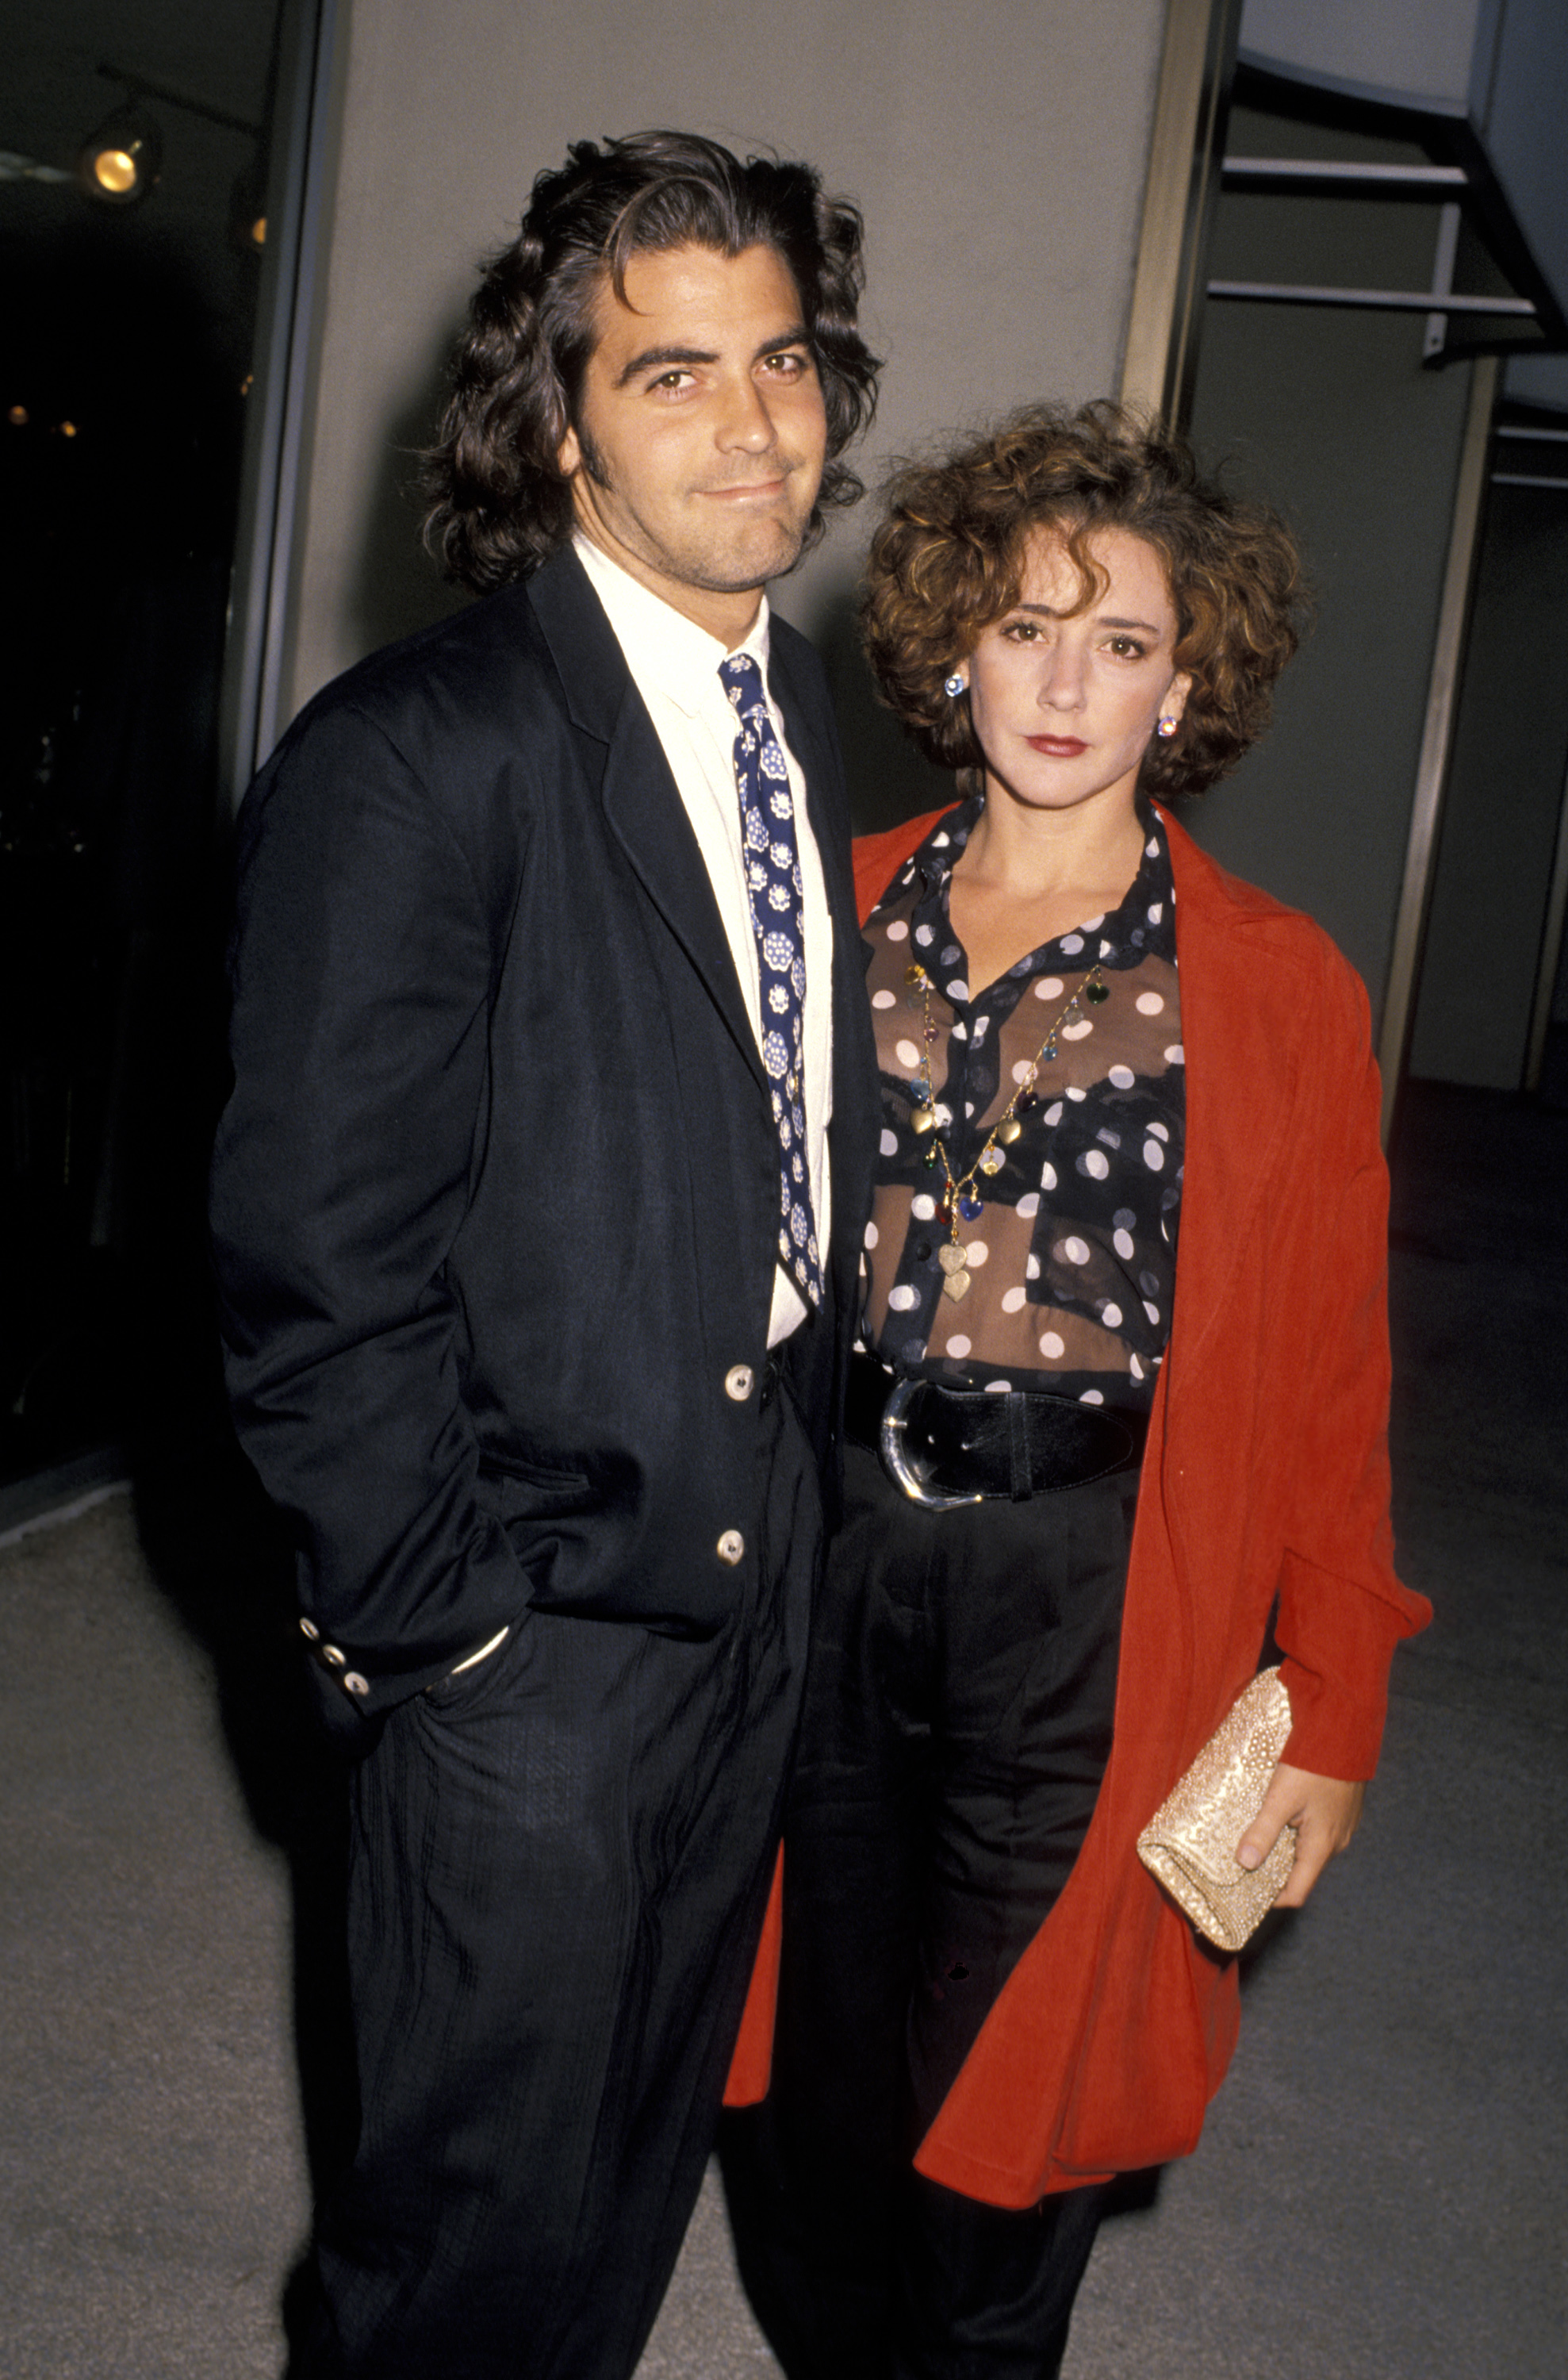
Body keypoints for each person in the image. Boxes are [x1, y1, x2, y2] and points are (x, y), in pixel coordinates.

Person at [209, 131, 882, 2380]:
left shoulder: (800, 711)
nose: (752, 423)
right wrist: (441, 1634)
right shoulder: (418, 755)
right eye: (670, 373)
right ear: (558, 413)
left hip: (751, 1547)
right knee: (471, 2250)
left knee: (616, 2193)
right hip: (529, 1624)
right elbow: (315, 1253)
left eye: (777, 359)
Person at [719, 403, 1432, 2378]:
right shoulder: (814, 911)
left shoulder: (1273, 984)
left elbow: (1324, 1382)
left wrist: (1331, 1701)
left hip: (1095, 1590)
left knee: (1011, 2116)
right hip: (822, 1557)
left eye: (1119, 642)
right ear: (953, 644)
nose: (1063, 681)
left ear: (1185, 681)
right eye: (1026, 626)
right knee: (803, 2091)